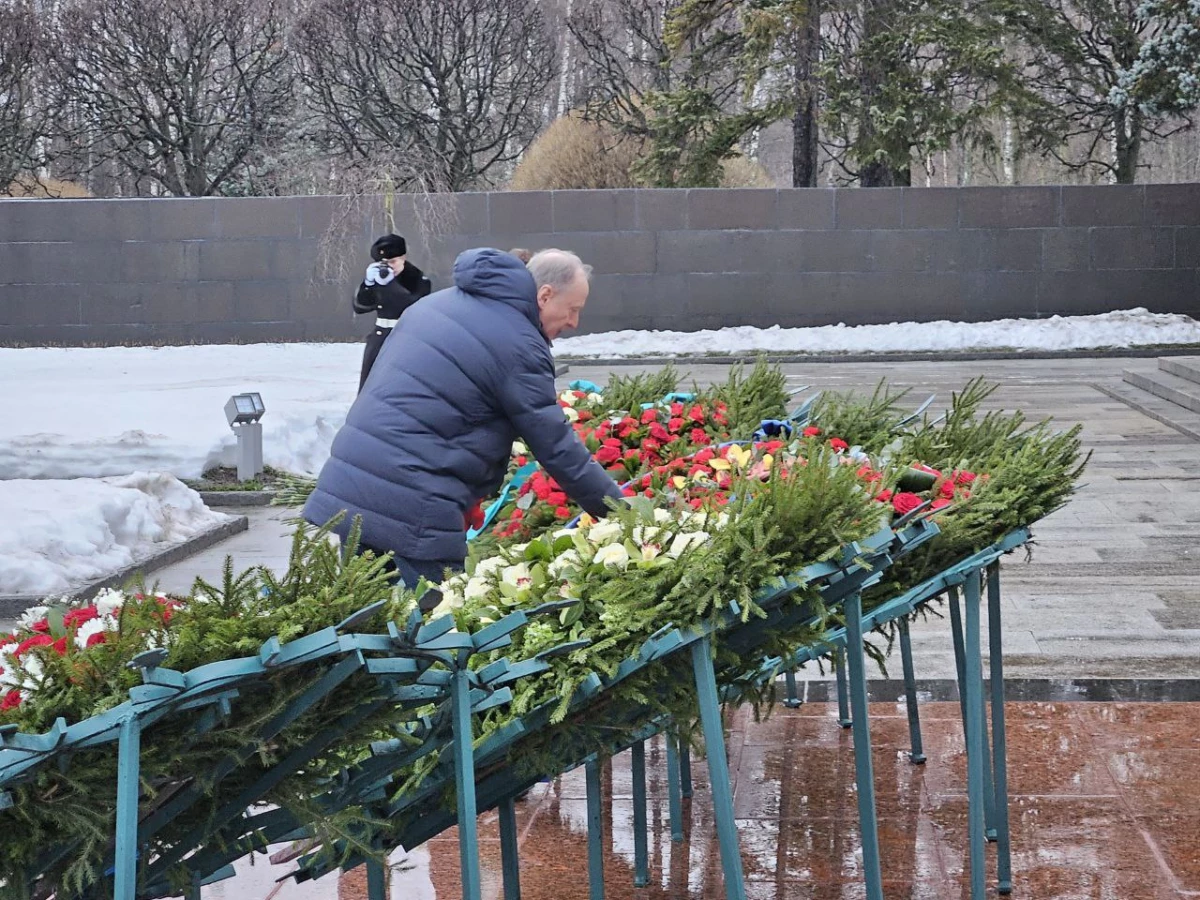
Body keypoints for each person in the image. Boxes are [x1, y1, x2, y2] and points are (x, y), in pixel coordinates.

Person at [304, 247, 622, 604]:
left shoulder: (435, 304)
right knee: (438, 631)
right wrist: (623, 515)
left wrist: (467, 495)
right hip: (412, 505)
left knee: (366, 621)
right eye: (573, 309)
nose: (574, 322)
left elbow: (431, 408)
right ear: (545, 296)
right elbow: (558, 448)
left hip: (352, 486)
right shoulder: (518, 344)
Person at [353, 233, 432, 392]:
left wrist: (390, 285)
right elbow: (360, 307)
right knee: (370, 386)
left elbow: (413, 306)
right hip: (380, 337)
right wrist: (368, 284)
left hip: (407, 337)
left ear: (403, 257)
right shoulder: (379, 278)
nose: (389, 267)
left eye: (393, 262)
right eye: (383, 263)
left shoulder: (417, 279)